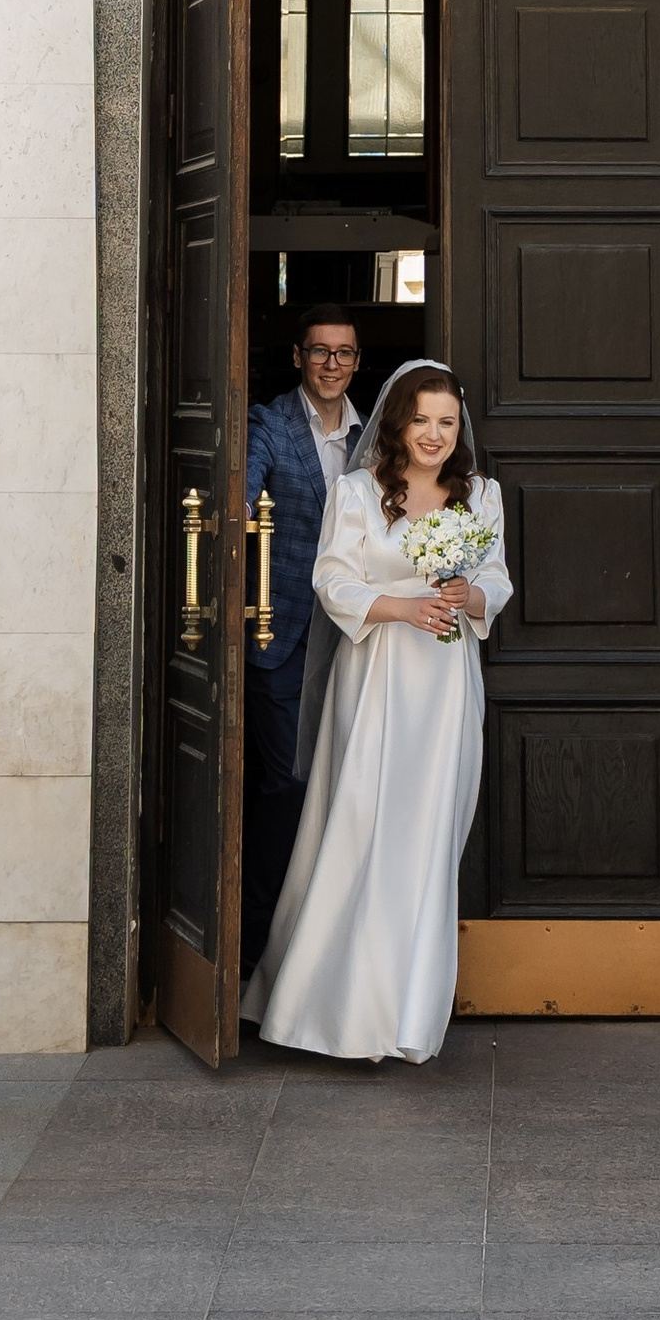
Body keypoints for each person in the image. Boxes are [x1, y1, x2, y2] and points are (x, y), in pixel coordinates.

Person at [243, 360, 509, 1064]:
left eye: (446, 422)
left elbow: (498, 580)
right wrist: (402, 607)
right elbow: (332, 576)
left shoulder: (481, 495)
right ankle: (328, 1007)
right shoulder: (358, 490)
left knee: (427, 833)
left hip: (446, 687)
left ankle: (407, 1013)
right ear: (397, 422)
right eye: (421, 420)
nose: (434, 434)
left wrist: (467, 598)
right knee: (361, 825)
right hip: (376, 678)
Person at [241, 307, 363, 972]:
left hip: (354, 640)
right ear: (298, 357)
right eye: (320, 352)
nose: (332, 365)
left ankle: (328, 953)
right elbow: (245, 492)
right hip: (281, 637)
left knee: (346, 786)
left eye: (344, 353)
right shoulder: (268, 424)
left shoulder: (372, 433)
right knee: (288, 786)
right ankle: (257, 953)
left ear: (357, 361)